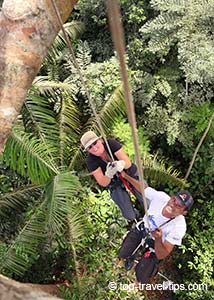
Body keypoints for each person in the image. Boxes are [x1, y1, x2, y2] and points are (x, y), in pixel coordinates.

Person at [118, 171, 194, 283]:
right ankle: (131, 256)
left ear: (184, 212)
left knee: (142, 277)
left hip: (156, 245)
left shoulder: (179, 227)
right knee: (123, 253)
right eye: (174, 200)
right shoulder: (161, 197)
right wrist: (125, 176)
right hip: (142, 229)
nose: (173, 205)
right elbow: (143, 189)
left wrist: (158, 238)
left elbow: (162, 254)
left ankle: (142, 262)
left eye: (179, 206)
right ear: (171, 197)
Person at [80, 131, 147, 221]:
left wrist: (121, 164)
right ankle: (137, 216)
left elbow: (127, 163)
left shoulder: (111, 144)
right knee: (129, 215)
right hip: (115, 183)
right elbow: (103, 182)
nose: (94, 148)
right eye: (90, 147)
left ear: (100, 140)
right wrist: (108, 174)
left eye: (95, 143)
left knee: (147, 198)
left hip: (129, 174)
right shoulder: (91, 161)